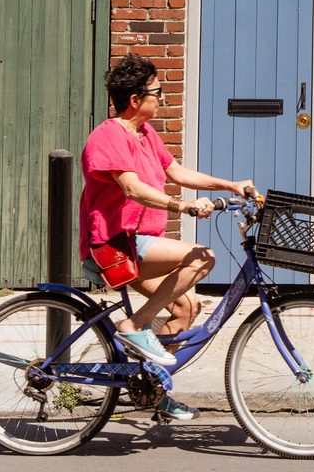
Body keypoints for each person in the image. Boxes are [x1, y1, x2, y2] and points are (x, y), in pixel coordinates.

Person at [80, 54, 254, 419]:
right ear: (135, 99)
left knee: (186, 306)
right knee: (202, 257)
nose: (163, 98)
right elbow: (131, 188)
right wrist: (184, 207)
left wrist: (231, 185)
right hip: (116, 243)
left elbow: (174, 170)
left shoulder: (145, 133)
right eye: (158, 92)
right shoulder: (109, 135)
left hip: (140, 243)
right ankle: (134, 326)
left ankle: (152, 389)